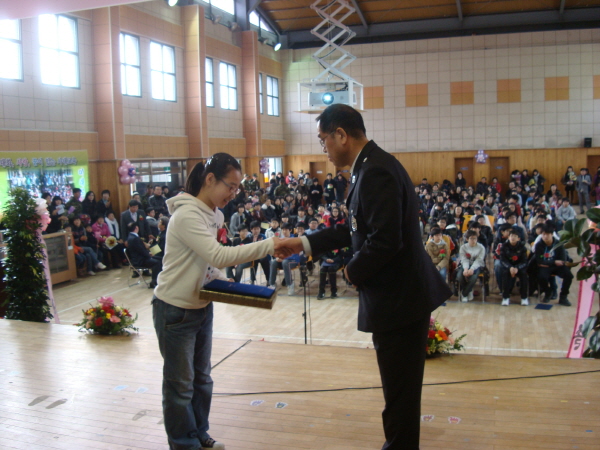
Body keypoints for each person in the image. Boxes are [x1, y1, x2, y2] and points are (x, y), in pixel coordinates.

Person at [274, 104, 451, 450]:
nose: (323, 149)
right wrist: (304, 243)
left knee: (400, 394)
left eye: (323, 140)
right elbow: (354, 228)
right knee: (398, 391)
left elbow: (384, 240)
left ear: (341, 135)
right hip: (398, 299)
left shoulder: (376, 171)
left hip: (399, 301)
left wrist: (351, 271)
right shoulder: (368, 168)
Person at [152, 154, 281, 450]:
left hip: (201, 306)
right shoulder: (187, 215)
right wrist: (270, 245)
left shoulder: (215, 215)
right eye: (230, 186)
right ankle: (184, 444)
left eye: (237, 188)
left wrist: (223, 282)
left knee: (202, 380)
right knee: (180, 386)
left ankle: (200, 434)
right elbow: (219, 255)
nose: (233, 194)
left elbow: (208, 263)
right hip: (175, 310)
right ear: (210, 179)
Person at [534, 224, 573, 306]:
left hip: (557, 266)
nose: (545, 236)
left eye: (547, 234)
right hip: (548, 266)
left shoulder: (559, 244)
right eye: (543, 234)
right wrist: (554, 262)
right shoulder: (539, 245)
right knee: (541, 276)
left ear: (552, 234)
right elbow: (539, 261)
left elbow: (563, 259)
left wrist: (548, 263)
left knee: (569, 276)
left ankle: (563, 297)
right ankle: (548, 292)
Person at [499, 229, 529, 306]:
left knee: (524, 275)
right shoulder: (504, 246)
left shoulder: (522, 247)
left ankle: (524, 297)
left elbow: (524, 261)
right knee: (505, 274)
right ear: (508, 237)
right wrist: (510, 267)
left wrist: (517, 268)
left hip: (519, 267)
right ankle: (505, 297)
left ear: (518, 238)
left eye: (515, 236)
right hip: (508, 266)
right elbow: (502, 260)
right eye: (511, 236)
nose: (513, 238)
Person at [456, 230, 486, 302]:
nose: (473, 240)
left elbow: (479, 260)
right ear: (467, 239)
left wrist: (472, 269)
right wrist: (466, 269)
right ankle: (469, 290)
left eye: (475, 238)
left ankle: (464, 294)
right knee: (459, 276)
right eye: (471, 238)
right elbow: (464, 259)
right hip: (465, 265)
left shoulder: (481, 247)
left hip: (477, 265)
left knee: (473, 278)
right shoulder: (463, 247)